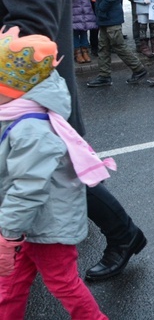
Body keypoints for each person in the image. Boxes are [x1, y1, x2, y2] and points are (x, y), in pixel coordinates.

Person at [0, 0, 146, 283]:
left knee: (66, 172)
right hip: (23, 96)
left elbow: (31, 37)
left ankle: (124, 234)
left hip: (32, 97)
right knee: (56, 173)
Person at [0, 28, 108, 319]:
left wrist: (7, 234)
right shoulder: (15, 115)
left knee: (62, 282)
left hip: (48, 225)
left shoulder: (31, 129)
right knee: (9, 285)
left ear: (13, 89)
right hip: (27, 223)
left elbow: (28, 185)